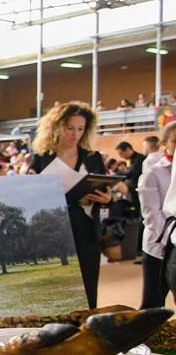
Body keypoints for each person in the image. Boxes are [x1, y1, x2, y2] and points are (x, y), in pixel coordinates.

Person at [31, 101, 111, 308]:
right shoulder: (41, 158)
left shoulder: (93, 158)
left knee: (88, 288)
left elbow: (104, 190)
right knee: (55, 288)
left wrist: (107, 199)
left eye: (80, 129)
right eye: (70, 128)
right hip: (53, 228)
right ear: (56, 127)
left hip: (85, 228)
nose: (75, 134)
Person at [139, 123, 175, 308]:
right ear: (164, 143)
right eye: (175, 141)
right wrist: (171, 241)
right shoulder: (152, 173)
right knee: (152, 303)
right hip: (158, 247)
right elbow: (152, 215)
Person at [117, 140, 146, 261]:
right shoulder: (134, 160)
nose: (120, 157)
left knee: (139, 220)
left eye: (121, 153)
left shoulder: (140, 159)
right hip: (132, 195)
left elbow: (132, 173)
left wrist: (120, 175)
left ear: (128, 149)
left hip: (138, 196)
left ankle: (140, 248)